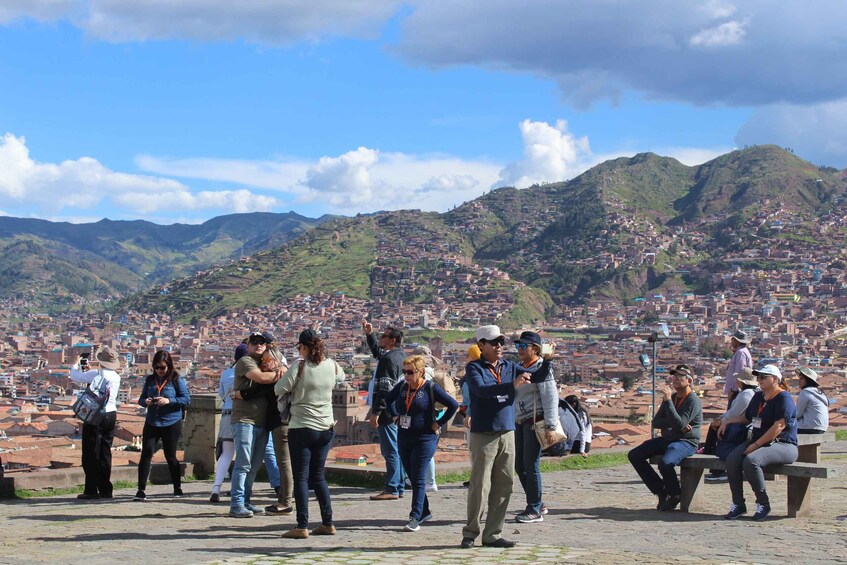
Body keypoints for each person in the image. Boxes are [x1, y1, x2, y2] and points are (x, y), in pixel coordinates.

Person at [460, 325, 554, 550]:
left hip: (507, 430)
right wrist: (511, 385)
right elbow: (482, 391)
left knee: (504, 485)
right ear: (481, 345)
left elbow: (537, 376)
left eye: (501, 342)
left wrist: (548, 359)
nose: (499, 346)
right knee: (480, 486)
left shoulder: (509, 366)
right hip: (484, 432)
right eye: (494, 342)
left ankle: (492, 533)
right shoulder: (474, 368)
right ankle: (471, 532)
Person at [275, 329, 344, 539]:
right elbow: (341, 378)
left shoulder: (300, 366)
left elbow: (279, 389)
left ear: (303, 347)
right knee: (318, 477)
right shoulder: (332, 365)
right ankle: (328, 522)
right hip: (325, 428)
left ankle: (301, 525)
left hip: (302, 427)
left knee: (302, 479)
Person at [386, 355, 458, 532]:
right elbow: (388, 400)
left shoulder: (430, 388)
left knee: (418, 478)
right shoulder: (402, 386)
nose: (406, 375)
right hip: (404, 436)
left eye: (410, 372)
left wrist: (438, 423)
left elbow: (453, 405)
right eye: (404, 372)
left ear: (421, 371)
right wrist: (395, 416)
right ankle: (424, 511)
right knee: (412, 476)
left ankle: (415, 516)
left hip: (425, 437)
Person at [720, 364, 798, 521]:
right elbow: (747, 418)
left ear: (775, 379)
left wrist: (755, 446)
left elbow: (779, 426)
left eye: (763, 377)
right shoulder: (758, 397)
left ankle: (763, 503)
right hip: (758, 441)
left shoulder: (784, 398)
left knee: (752, 460)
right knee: (732, 460)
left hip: (783, 444)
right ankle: (738, 503)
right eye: (758, 377)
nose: (759, 380)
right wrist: (726, 422)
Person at [628, 364, 702, 512]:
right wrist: (675, 425)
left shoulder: (692, 400)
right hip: (669, 439)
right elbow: (656, 422)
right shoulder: (672, 397)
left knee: (666, 463)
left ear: (689, 380)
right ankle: (661, 490)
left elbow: (680, 422)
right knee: (635, 455)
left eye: (680, 376)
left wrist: (673, 416)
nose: (675, 379)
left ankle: (674, 494)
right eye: (674, 376)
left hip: (686, 441)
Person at [229, 332, 284, 518]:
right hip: (244, 419)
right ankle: (236, 504)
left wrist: (280, 368)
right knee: (243, 464)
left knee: (253, 465)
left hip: (261, 420)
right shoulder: (245, 361)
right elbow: (261, 379)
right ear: (248, 345)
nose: (259, 345)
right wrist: (279, 372)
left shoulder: (265, 362)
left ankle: (245, 500)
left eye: (262, 342)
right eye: (254, 342)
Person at [512, 331, 558, 523]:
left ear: (535, 349)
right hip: (520, 421)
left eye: (524, 346)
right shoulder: (521, 368)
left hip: (535, 421)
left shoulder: (542, 369)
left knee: (531, 464)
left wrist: (551, 425)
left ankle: (534, 508)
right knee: (520, 465)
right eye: (518, 346)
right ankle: (538, 503)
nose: (520, 350)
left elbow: (550, 397)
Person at [133, 350, 191, 501]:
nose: (159, 370)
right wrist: (145, 402)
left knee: (170, 456)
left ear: (169, 367)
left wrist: (169, 401)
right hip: (153, 420)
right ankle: (141, 490)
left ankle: (177, 487)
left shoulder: (176, 380)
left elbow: (186, 399)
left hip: (171, 421)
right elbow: (141, 398)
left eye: (162, 367)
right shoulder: (150, 380)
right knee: (146, 453)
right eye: (157, 367)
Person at [69, 346, 122, 500]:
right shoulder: (116, 377)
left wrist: (75, 362)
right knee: (105, 451)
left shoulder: (96, 374)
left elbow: (76, 376)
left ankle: (91, 489)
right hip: (111, 414)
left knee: (91, 452)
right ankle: (106, 489)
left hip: (95, 415)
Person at [363, 321, 407, 500]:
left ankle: (391, 488)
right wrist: (370, 335)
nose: (381, 338)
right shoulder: (399, 356)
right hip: (397, 410)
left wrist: (376, 412)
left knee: (390, 451)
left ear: (393, 340)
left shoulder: (389, 360)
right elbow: (378, 353)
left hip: (387, 412)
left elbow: (385, 389)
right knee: (397, 450)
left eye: (384, 336)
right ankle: (400, 485)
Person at [703, 368, 758, 483]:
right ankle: (714, 466)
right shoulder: (749, 393)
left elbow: (734, 413)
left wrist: (721, 421)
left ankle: (717, 469)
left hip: (738, 427)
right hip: (739, 425)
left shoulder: (746, 394)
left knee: (714, 431)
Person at [210, 343, 248, 503]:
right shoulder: (250, 373)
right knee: (242, 455)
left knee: (226, 454)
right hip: (243, 416)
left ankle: (216, 488)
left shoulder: (226, 373)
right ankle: (236, 489)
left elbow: (220, 394)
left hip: (226, 414)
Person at [795, 367, 828, 434]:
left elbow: (798, 414)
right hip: (822, 427)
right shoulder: (820, 393)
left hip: (809, 427)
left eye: (801, 379)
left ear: (808, 380)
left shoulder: (806, 392)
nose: (799, 381)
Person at [724, 330, 753, 406]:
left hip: (737, 392)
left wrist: (733, 389)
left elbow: (739, 373)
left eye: (733, 339)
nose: (731, 341)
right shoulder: (742, 351)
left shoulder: (741, 353)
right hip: (738, 390)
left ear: (737, 341)